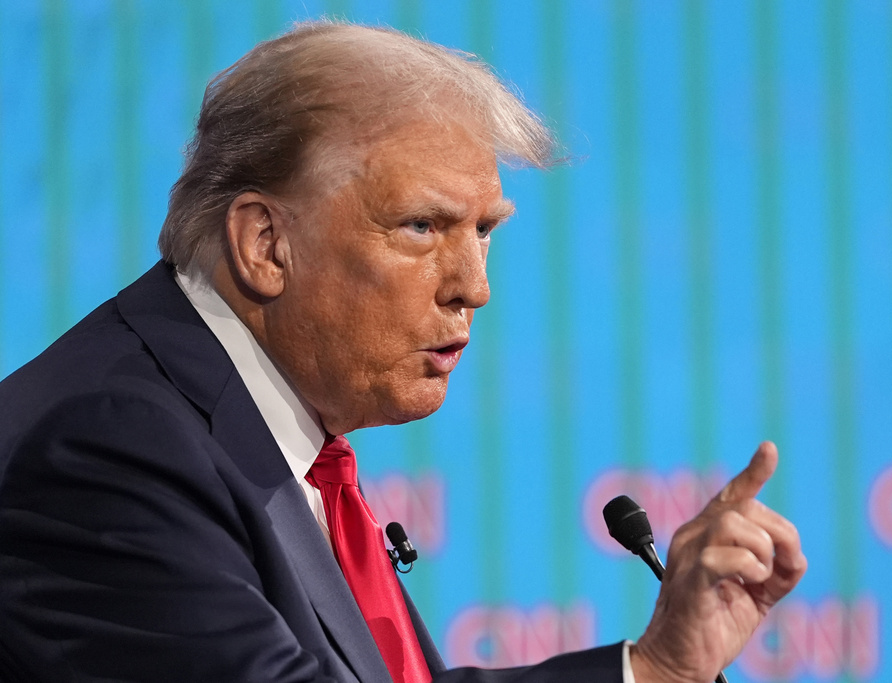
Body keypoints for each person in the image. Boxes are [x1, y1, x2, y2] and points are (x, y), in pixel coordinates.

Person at [0, 21, 806, 683]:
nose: (473, 286)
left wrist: (657, 667)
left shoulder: (253, 431)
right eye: (422, 226)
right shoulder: (106, 446)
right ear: (265, 244)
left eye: (485, 230)